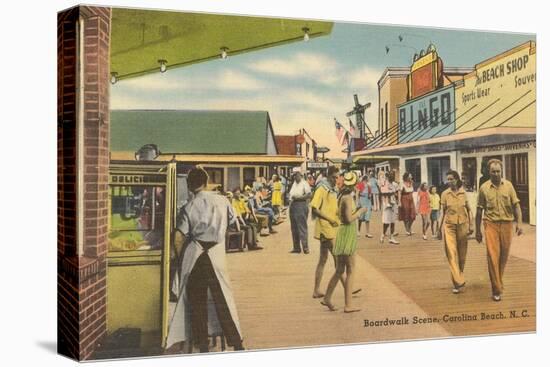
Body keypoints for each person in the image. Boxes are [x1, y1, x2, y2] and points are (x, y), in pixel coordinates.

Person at [166, 168, 243, 353]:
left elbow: (179, 236)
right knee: (223, 299)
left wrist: (178, 258)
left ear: (189, 184)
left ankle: (202, 345)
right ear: (206, 182)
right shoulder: (222, 200)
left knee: (197, 302)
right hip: (216, 253)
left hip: (196, 255)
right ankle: (237, 342)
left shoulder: (188, 206)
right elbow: (234, 223)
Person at [475, 159, 523, 302]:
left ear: (501, 171)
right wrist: (478, 231)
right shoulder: (483, 188)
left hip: (507, 224)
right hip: (490, 224)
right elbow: (479, 211)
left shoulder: (508, 186)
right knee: (492, 256)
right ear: (488, 172)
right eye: (493, 171)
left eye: (498, 171)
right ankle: (496, 289)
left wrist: (519, 223)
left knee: (503, 256)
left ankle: (498, 281)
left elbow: (516, 206)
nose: (496, 174)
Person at [321, 172, 367, 313]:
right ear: (353, 185)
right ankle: (348, 305)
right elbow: (348, 219)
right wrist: (360, 212)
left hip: (342, 233)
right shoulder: (347, 198)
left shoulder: (343, 196)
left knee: (340, 269)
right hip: (347, 233)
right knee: (351, 269)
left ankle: (327, 298)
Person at [438, 170, 473, 294]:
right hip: (449, 226)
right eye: (448, 179)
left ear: (457, 180)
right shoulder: (444, 194)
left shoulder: (463, 193)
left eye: (451, 179)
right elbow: (442, 212)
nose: (449, 181)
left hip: (463, 225)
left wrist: (471, 225)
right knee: (451, 254)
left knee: (462, 256)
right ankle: (457, 282)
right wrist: (439, 228)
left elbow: (469, 210)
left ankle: (460, 276)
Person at [311, 166, 341, 298]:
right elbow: (314, 209)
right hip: (325, 227)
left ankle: (316, 290)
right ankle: (348, 287)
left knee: (323, 259)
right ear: (328, 176)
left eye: (337, 177)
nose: (336, 180)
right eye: (334, 177)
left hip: (332, 227)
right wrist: (329, 219)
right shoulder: (322, 188)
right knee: (338, 258)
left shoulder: (333, 190)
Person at [289, 170, 312, 254]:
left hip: (301, 204)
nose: (295, 177)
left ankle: (305, 247)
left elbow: (309, 194)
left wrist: (299, 198)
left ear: (300, 175)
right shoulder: (294, 184)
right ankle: (296, 247)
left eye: (296, 175)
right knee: (294, 227)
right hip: (293, 205)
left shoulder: (304, 183)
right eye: (294, 175)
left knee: (302, 227)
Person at [380, 171, 399, 245]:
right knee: (386, 221)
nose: (392, 176)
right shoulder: (384, 183)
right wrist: (390, 193)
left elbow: (396, 192)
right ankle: (383, 234)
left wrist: (396, 198)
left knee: (393, 221)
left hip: (393, 202)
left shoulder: (395, 184)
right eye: (390, 175)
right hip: (386, 204)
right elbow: (383, 193)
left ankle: (391, 237)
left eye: (393, 175)